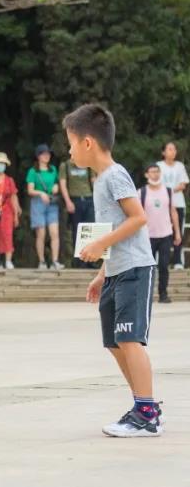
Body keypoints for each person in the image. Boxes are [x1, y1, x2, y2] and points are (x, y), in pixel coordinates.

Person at [65, 103, 161, 437]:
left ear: (87, 143)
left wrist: (98, 243)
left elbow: (138, 218)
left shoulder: (115, 175)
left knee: (130, 339)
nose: (69, 150)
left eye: (71, 143)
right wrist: (102, 272)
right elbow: (117, 227)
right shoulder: (101, 181)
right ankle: (140, 405)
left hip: (135, 269)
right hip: (116, 270)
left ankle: (147, 413)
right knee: (115, 341)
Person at [141, 164, 180, 304]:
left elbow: (173, 213)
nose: (155, 174)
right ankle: (146, 295)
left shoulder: (168, 191)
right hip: (147, 236)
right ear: (146, 174)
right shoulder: (142, 192)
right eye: (152, 172)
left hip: (165, 234)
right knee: (147, 268)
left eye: (157, 171)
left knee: (164, 266)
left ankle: (163, 294)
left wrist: (177, 233)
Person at [27, 144, 62, 269]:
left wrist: (56, 188)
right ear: (38, 156)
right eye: (44, 154)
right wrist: (41, 193)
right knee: (41, 234)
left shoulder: (53, 169)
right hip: (38, 203)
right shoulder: (33, 171)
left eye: (48, 153)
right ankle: (41, 261)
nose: (47, 156)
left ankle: (55, 261)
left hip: (51, 203)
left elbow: (56, 184)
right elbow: (30, 190)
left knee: (54, 233)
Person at [59, 155, 97, 268]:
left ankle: (90, 260)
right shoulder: (65, 165)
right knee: (77, 231)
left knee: (90, 230)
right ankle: (80, 261)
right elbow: (63, 184)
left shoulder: (88, 164)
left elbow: (94, 181)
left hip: (89, 198)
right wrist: (68, 201)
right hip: (74, 199)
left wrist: (98, 197)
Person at [157, 142, 188, 269]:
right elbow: (156, 184)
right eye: (170, 149)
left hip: (178, 204)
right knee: (160, 232)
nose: (173, 151)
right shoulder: (159, 166)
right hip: (162, 204)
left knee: (178, 232)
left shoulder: (180, 166)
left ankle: (177, 262)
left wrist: (169, 190)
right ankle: (159, 261)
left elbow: (183, 185)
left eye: (174, 149)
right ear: (163, 152)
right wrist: (170, 190)